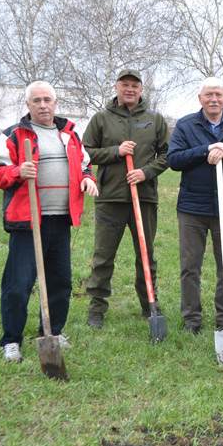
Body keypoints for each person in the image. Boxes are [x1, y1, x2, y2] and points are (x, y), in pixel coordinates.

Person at [0, 81, 98, 362]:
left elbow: (85, 163)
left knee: (60, 281)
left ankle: (54, 332)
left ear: (55, 102)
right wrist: (17, 171)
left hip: (61, 219)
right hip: (27, 221)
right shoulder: (14, 135)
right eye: (36, 100)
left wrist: (87, 178)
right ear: (28, 105)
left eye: (47, 99)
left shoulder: (70, 133)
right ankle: (11, 339)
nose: (42, 105)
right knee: (19, 283)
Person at [167, 77, 223, 334]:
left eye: (218, 94)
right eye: (208, 95)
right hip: (192, 209)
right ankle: (192, 320)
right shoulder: (186, 125)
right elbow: (173, 159)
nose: (214, 99)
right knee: (189, 266)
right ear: (200, 99)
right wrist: (206, 148)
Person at [83, 69, 170, 328]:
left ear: (141, 90)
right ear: (116, 87)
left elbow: (168, 154)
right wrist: (115, 151)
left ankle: (149, 305)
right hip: (110, 198)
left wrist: (145, 173)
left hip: (144, 199)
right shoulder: (101, 119)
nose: (130, 89)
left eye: (135, 85)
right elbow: (85, 152)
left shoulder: (155, 119)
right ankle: (97, 309)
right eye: (125, 85)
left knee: (146, 254)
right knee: (103, 255)